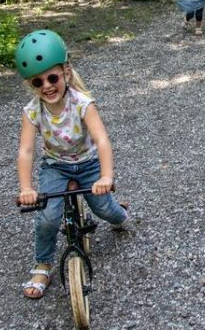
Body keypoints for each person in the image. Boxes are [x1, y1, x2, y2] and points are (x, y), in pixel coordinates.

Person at [15, 29, 132, 299]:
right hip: (55, 166)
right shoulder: (32, 112)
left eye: (52, 77)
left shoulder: (82, 104)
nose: (47, 85)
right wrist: (26, 188)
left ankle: (122, 213)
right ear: (31, 85)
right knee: (47, 217)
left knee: (105, 209)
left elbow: (102, 140)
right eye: (38, 82)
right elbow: (26, 150)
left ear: (66, 73)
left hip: (88, 163)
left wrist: (106, 176)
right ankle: (42, 264)